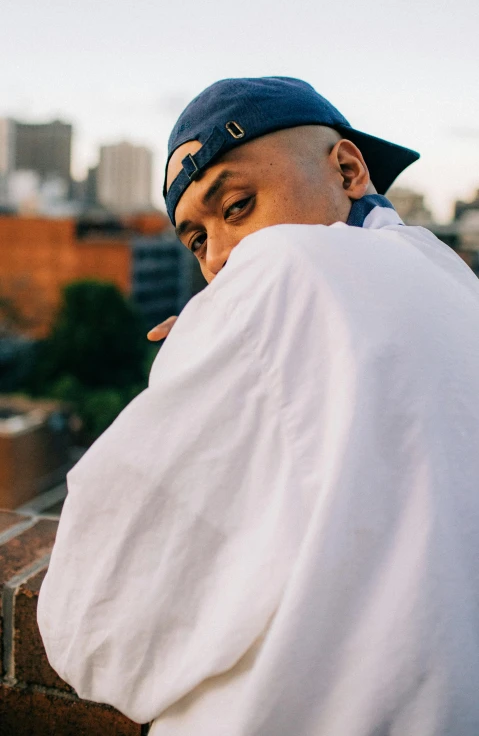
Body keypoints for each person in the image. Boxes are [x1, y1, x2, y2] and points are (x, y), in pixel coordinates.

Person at [38, 77, 479, 736]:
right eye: (195, 239)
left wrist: (210, 347)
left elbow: (94, 626)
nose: (218, 257)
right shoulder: (452, 281)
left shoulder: (280, 272)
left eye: (238, 204)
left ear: (348, 169)